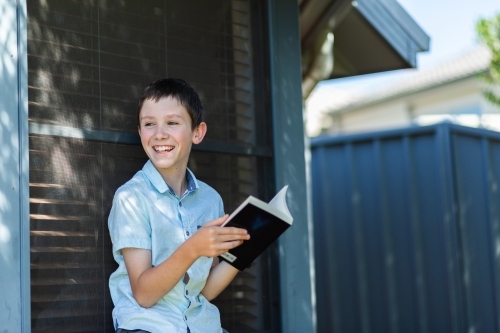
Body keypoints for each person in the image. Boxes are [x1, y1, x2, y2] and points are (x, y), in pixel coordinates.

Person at [108, 78, 250, 333]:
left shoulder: (210, 200)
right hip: (148, 327)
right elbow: (143, 294)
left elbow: (204, 290)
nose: (160, 133)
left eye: (172, 123)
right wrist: (194, 247)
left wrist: (244, 253)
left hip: (201, 326)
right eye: (149, 124)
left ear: (198, 132)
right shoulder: (131, 198)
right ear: (140, 132)